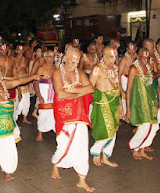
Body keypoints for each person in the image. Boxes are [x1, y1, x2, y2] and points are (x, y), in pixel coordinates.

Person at [51, 48, 95, 192]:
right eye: (72, 61)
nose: (75, 64)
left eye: (77, 62)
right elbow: (60, 94)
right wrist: (79, 92)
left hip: (80, 114)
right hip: (64, 115)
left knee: (82, 146)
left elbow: (91, 89)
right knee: (63, 143)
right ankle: (55, 164)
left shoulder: (80, 73)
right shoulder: (58, 73)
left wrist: (70, 91)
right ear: (65, 58)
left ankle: (82, 180)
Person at [89, 47, 122, 167]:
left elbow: (117, 88)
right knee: (105, 129)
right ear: (103, 56)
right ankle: (96, 153)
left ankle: (105, 156)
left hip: (114, 102)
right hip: (102, 103)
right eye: (111, 56)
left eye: (115, 56)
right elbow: (90, 87)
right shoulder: (98, 69)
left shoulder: (115, 68)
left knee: (113, 130)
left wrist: (121, 106)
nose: (114, 59)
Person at [125, 48, 159, 160]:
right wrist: (128, 109)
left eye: (148, 57)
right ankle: (135, 148)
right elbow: (128, 90)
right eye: (143, 57)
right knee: (144, 127)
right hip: (139, 104)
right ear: (138, 57)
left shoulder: (148, 67)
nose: (146, 59)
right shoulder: (134, 69)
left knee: (154, 126)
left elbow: (151, 82)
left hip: (150, 102)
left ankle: (142, 149)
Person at [34, 50, 56, 141]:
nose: (52, 59)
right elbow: (36, 83)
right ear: (45, 58)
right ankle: (40, 133)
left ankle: (55, 129)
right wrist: (40, 96)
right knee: (43, 112)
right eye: (50, 57)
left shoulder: (55, 67)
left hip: (53, 91)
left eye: (53, 57)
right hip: (43, 90)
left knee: (53, 111)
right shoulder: (41, 68)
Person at [118, 42, 137, 116]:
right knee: (125, 98)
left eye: (133, 49)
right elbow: (119, 74)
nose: (131, 51)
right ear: (127, 49)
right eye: (130, 49)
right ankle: (125, 114)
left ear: (136, 49)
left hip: (134, 79)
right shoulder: (124, 59)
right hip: (125, 79)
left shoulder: (138, 57)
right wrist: (120, 88)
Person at [14, 44, 31, 124]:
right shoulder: (13, 60)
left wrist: (29, 84)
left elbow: (27, 71)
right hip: (17, 81)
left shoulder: (26, 60)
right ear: (16, 51)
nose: (21, 51)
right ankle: (15, 122)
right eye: (19, 49)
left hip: (25, 81)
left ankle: (25, 118)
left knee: (26, 101)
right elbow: (14, 74)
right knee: (17, 102)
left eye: (22, 49)